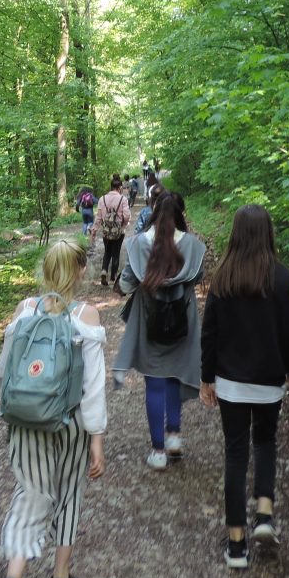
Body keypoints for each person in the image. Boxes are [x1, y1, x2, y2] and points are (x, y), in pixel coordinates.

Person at [0, 239, 107, 578]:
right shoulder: (86, 316)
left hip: (26, 420)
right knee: (69, 492)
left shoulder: (25, 310)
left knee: (31, 490)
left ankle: (13, 577)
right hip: (70, 421)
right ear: (81, 270)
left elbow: (2, 373)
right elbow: (93, 387)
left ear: (44, 270)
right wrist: (97, 438)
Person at [199, 205, 289, 569]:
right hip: (269, 382)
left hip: (230, 383)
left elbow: (210, 332)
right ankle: (264, 514)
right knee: (265, 442)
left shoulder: (223, 277)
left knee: (235, 454)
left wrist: (207, 377)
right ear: (267, 233)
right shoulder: (283, 278)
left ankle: (236, 546)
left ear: (236, 234)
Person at [113, 190, 206, 469]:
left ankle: (158, 452)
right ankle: (174, 436)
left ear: (153, 212)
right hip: (182, 320)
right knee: (175, 376)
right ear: (181, 214)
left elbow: (126, 283)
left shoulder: (138, 244)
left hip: (149, 320)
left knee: (154, 383)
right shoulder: (193, 246)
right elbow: (197, 277)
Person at [90, 176, 131, 287]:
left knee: (107, 252)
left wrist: (94, 230)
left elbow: (98, 217)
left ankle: (104, 270)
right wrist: (123, 224)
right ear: (120, 188)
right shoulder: (123, 199)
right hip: (119, 231)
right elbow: (127, 215)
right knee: (116, 253)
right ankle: (113, 278)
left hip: (106, 231)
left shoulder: (102, 199)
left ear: (111, 187)